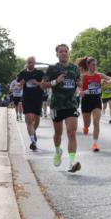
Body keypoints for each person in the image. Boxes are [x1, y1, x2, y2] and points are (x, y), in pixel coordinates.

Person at [42, 44, 82, 172]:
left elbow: (79, 82)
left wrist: (80, 84)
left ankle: (71, 162)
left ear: (69, 53)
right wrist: (56, 81)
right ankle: (58, 150)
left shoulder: (75, 68)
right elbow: (43, 85)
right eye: (61, 51)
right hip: (57, 105)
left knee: (71, 132)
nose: (64, 53)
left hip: (71, 104)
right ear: (57, 54)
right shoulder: (52, 69)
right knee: (58, 134)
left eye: (66, 51)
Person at [78, 56, 111, 152]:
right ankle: (85, 127)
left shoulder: (99, 75)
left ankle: (95, 144)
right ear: (88, 65)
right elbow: (79, 87)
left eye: (95, 65)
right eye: (93, 65)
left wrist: (107, 82)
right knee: (87, 123)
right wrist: (80, 92)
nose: (95, 66)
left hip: (96, 100)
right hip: (86, 100)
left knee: (96, 121)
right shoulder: (83, 76)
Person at [16, 57, 45, 151]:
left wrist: (37, 83)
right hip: (27, 99)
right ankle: (33, 142)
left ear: (35, 63)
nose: (30, 64)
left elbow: (44, 84)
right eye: (29, 62)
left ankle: (33, 132)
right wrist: (22, 82)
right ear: (26, 63)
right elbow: (18, 84)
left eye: (32, 62)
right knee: (29, 119)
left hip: (37, 98)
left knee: (36, 120)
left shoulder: (40, 73)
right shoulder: (22, 73)